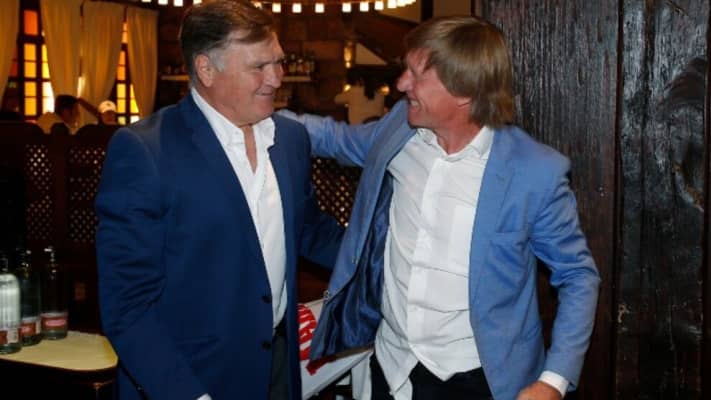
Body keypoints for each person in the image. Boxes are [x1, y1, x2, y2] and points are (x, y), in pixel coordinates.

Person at [281, 16, 600, 400]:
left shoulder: (535, 173)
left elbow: (578, 276)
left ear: (463, 91)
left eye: (417, 75)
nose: (401, 84)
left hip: (477, 380)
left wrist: (554, 381)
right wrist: (261, 116)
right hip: (390, 367)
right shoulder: (400, 128)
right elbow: (336, 139)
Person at [95, 1, 343, 399]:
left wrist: (390, 261)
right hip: (189, 379)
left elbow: (310, 229)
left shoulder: (290, 140)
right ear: (206, 69)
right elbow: (128, 306)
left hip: (277, 370)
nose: (276, 78)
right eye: (259, 66)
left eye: (278, 62)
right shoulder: (146, 151)